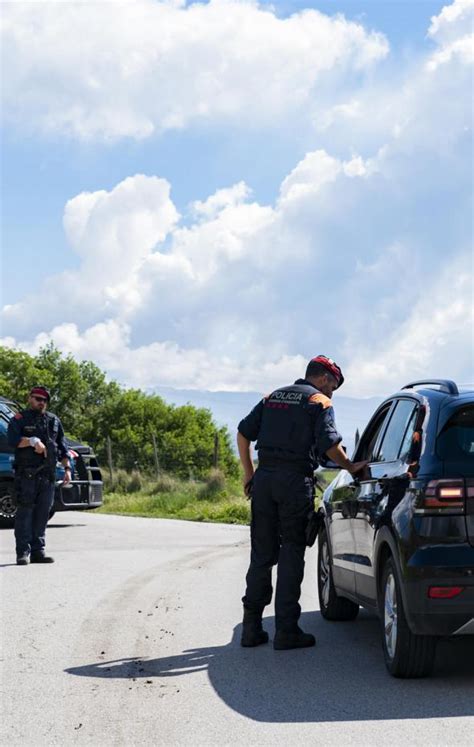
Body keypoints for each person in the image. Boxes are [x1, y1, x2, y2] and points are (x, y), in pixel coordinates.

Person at [237, 355, 368, 650]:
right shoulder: (319, 402)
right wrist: (349, 466)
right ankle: (286, 631)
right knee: (292, 552)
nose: (332, 392)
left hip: (265, 481)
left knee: (261, 554)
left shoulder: (272, 397)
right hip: (295, 483)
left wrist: (250, 475)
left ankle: (251, 628)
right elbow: (330, 446)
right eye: (333, 386)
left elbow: (243, 434)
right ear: (323, 378)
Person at [7, 386, 71, 565]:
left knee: (43, 513)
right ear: (30, 398)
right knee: (25, 513)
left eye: (44, 400)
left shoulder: (54, 421)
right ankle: (23, 552)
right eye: (37, 399)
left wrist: (67, 469)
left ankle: (38, 551)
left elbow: (63, 447)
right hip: (27, 474)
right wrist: (31, 441)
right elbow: (13, 440)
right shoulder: (20, 419)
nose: (41, 403)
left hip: (48, 475)